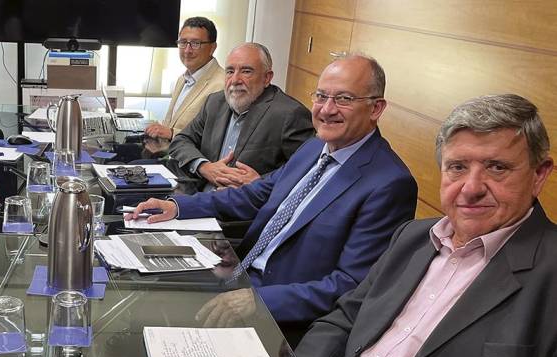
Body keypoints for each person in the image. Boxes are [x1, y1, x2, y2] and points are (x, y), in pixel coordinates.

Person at [284, 93, 557, 357]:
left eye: (497, 168)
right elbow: (344, 319)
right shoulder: (413, 237)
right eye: (457, 167)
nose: (472, 187)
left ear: (540, 174)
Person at [130, 54, 417, 336]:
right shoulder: (314, 148)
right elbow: (254, 195)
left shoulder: (389, 183)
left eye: (344, 99)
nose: (327, 110)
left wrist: (260, 301)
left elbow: (351, 284)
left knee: (163, 330)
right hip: (239, 274)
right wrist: (178, 207)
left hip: (283, 316)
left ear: (376, 108)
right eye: (321, 97)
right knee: (140, 295)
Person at [168, 42, 314, 191]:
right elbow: (181, 140)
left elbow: (308, 171)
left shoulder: (290, 114)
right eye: (230, 71)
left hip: (244, 208)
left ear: (267, 78)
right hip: (200, 195)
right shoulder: (215, 102)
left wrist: (259, 182)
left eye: (246, 71)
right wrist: (204, 166)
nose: (235, 80)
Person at [143, 16, 225, 141]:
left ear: (212, 48)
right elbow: (170, 124)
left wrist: (171, 133)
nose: (187, 50)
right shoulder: (182, 79)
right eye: (183, 42)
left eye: (195, 43)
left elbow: (214, 138)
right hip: (167, 152)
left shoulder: (222, 85)